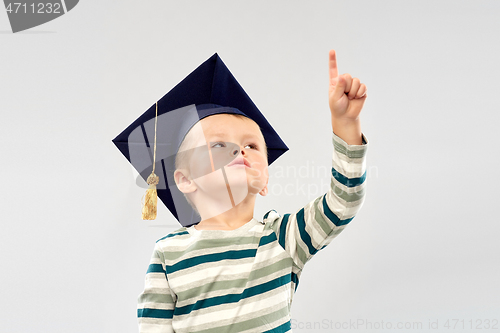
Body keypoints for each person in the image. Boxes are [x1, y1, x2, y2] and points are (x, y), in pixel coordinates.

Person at [136, 50, 368, 332]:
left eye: (253, 146)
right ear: (185, 180)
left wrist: (345, 124)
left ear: (265, 180)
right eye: (218, 145)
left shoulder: (282, 237)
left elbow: (344, 201)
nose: (240, 150)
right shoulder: (168, 252)